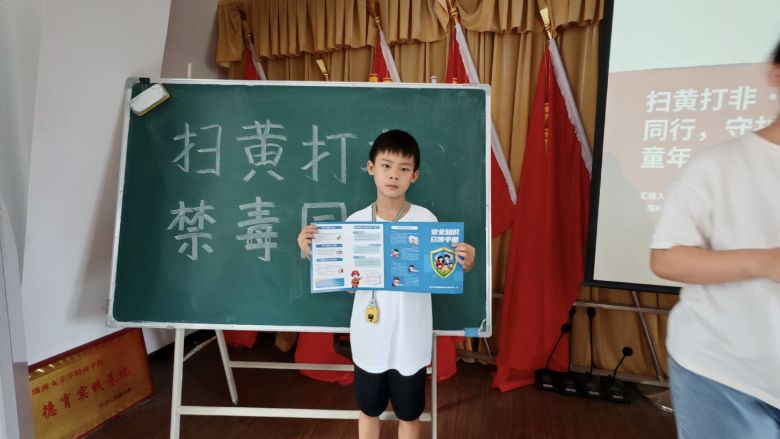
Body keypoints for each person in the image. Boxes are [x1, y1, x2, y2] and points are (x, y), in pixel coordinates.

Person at [298, 129, 476, 439]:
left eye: (404, 168)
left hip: (410, 339)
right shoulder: (355, 223)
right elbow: (350, 286)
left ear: (414, 176)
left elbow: (440, 274)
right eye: (386, 165)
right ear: (371, 168)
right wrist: (315, 254)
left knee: (409, 413)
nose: (394, 175)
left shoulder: (427, 221)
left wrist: (463, 263)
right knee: (369, 410)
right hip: (369, 338)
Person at [650, 40, 780, 438]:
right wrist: (762, 261)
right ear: (776, 75)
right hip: (723, 373)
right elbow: (665, 258)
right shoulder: (717, 165)